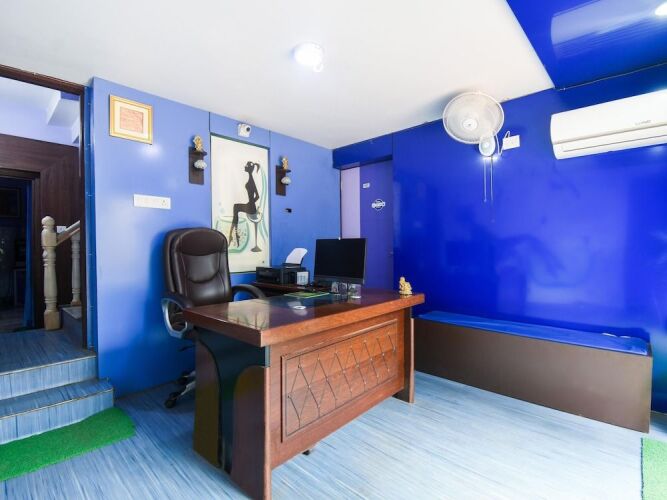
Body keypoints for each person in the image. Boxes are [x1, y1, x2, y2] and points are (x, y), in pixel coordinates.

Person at [229, 161, 260, 246]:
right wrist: (250, 202)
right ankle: (234, 234)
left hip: (251, 208)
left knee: (236, 207)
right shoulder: (251, 179)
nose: (244, 167)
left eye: (246, 166)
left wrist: (251, 203)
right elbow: (256, 196)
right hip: (251, 205)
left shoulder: (251, 181)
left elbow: (257, 196)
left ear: (249, 169)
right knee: (236, 207)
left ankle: (233, 234)